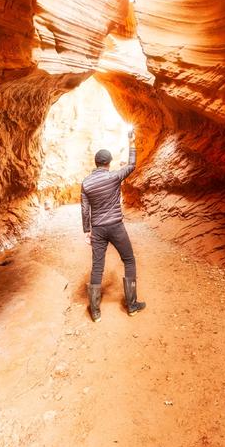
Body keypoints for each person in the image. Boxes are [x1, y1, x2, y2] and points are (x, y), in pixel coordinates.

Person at [81, 127, 146, 322]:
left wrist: (87, 231)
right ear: (109, 163)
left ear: (96, 163)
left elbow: (85, 209)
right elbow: (132, 164)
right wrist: (131, 142)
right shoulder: (114, 176)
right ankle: (132, 305)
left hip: (98, 229)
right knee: (129, 260)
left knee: (97, 267)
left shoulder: (86, 183)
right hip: (116, 226)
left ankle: (95, 311)